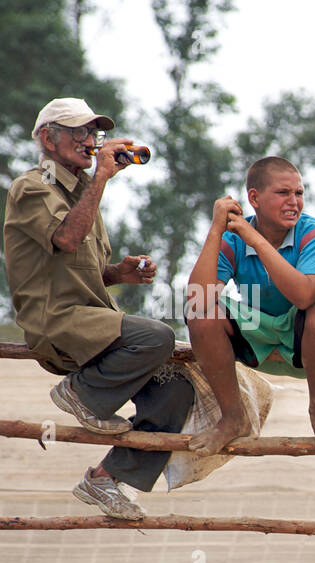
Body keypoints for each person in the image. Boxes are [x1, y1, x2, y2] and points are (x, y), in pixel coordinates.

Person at [4, 97, 193, 520]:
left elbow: (69, 266)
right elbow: (67, 240)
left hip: (91, 324)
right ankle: (81, 394)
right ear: (47, 138)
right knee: (157, 336)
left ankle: (105, 478)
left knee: (175, 389)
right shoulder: (32, 186)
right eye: (78, 132)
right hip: (59, 325)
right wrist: (102, 177)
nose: (89, 141)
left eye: (94, 133)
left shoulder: (81, 192)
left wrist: (117, 273)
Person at [185, 156, 315, 458]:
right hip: (258, 334)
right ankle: (233, 417)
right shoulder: (234, 239)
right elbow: (197, 300)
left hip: (309, 338)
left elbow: (304, 297)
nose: (294, 202)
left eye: (299, 193)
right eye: (283, 193)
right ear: (254, 198)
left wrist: (256, 241)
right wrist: (216, 231)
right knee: (202, 312)